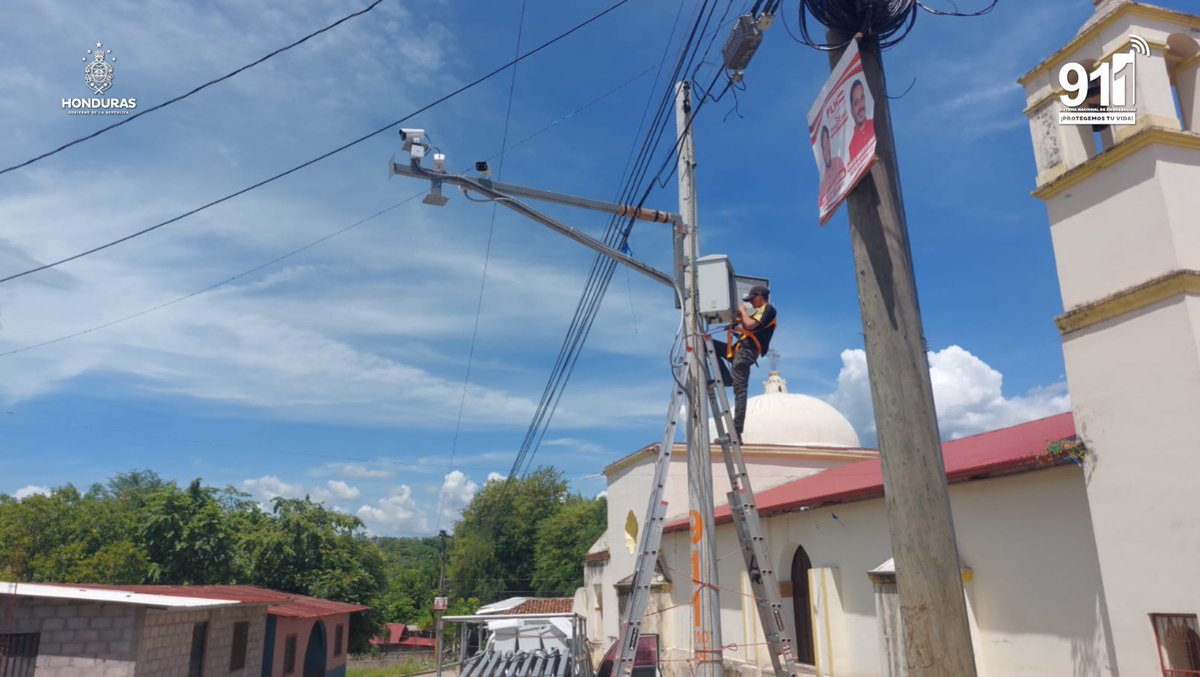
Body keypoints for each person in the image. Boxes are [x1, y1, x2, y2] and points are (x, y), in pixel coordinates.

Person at [713, 285, 777, 437]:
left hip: (746, 353)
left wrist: (742, 312)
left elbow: (750, 325)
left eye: (752, 299)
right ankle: (726, 379)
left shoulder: (769, 310)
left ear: (760, 296)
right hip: (739, 351)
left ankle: (736, 431)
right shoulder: (759, 312)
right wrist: (736, 321)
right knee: (710, 344)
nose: (751, 303)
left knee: (740, 391)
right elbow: (747, 324)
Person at [817, 125, 845, 210]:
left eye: (828, 143)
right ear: (822, 150)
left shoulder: (838, 162)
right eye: (824, 146)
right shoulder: (823, 187)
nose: (827, 150)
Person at [848, 79, 875, 159]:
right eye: (856, 103)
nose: (861, 106)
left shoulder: (876, 124)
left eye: (862, 98)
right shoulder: (852, 147)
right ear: (851, 111)